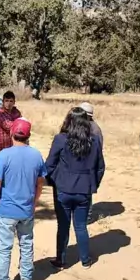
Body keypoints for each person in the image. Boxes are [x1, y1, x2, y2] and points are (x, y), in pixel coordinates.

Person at [0, 118, 46, 280]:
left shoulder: (4, 155)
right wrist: (34, 203)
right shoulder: (36, 155)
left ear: (12, 134)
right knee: (26, 244)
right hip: (26, 210)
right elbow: (40, 183)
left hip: (7, 210)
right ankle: (27, 279)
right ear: (28, 136)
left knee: (4, 247)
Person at [46, 108, 105, 269]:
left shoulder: (61, 139)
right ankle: (85, 260)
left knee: (63, 226)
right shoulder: (93, 141)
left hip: (63, 189)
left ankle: (61, 260)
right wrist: (93, 183)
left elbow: (49, 164)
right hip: (84, 190)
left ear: (68, 121)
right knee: (80, 226)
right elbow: (100, 167)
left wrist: (50, 181)